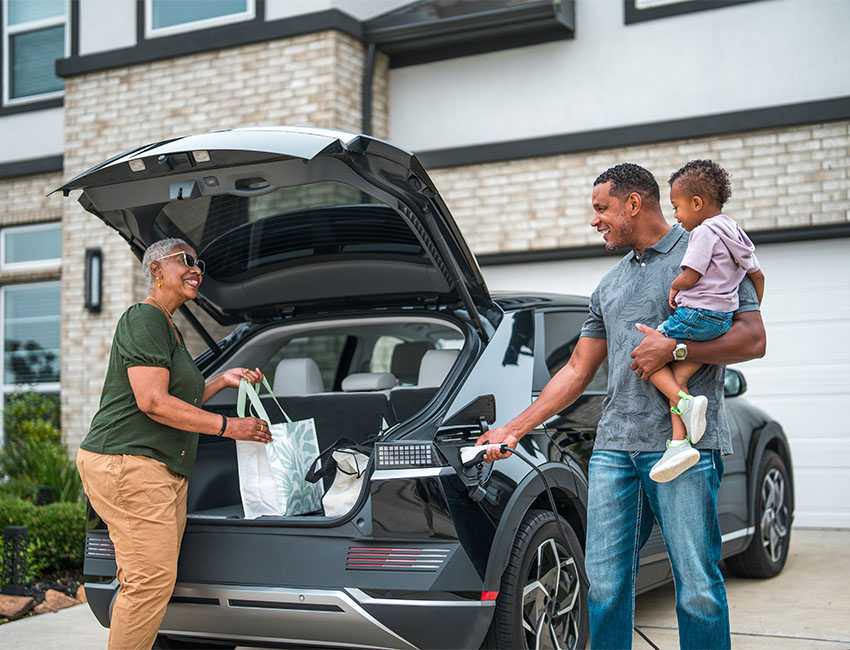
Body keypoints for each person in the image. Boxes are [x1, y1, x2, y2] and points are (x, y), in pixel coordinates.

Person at [477, 163, 766, 649]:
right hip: (614, 450)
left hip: (684, 449)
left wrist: (675, 350)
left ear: (634, 203)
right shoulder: (608, 287)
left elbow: (752, 339)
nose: (595, 220)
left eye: (601, 208)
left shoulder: (704, 248)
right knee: (606, 586)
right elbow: (575, 371)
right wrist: (513, 429)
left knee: (697, 588)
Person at [76, 238, 273, 650]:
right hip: (128, 462)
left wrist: (221, 380)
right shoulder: (143, 318)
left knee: (149, 580)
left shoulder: (169, 326)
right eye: (186, 261)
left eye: (198, 264)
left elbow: (177, 400)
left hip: (157, 467)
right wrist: (228, 426)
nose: (196, 269)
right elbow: (152, 402)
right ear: (155, 270)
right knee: (148, 584)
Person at [648, 159, 765, 483]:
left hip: (694, 314)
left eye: (677, 207)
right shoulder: (735, 231)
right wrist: (738, 307)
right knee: (677, 378)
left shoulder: (703, 232)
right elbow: (758, 276)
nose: (675, 215)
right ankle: (679, 444)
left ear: (697, 204)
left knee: (646, 356)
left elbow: (692, 273)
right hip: (719, 321)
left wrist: (675, 285)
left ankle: (684, 403)